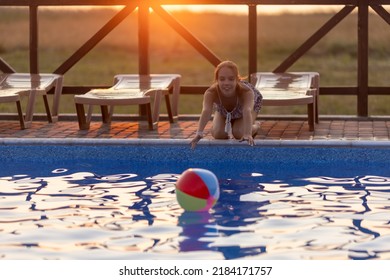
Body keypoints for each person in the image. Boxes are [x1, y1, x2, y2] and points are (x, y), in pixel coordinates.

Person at [190, 60, 262, 149]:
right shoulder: (211, 92)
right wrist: (199, 133)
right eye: (222, 79)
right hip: (225, 110)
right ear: (217, 80)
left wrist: (247, 133)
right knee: (218, 134)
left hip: (246, 109)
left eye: (231, 79)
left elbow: (247, 110)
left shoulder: (246, 92)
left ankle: (256, 126)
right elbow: (206, 111)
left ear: (237, 79)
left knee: (239, 133)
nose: (226, 83)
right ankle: (229, 122)